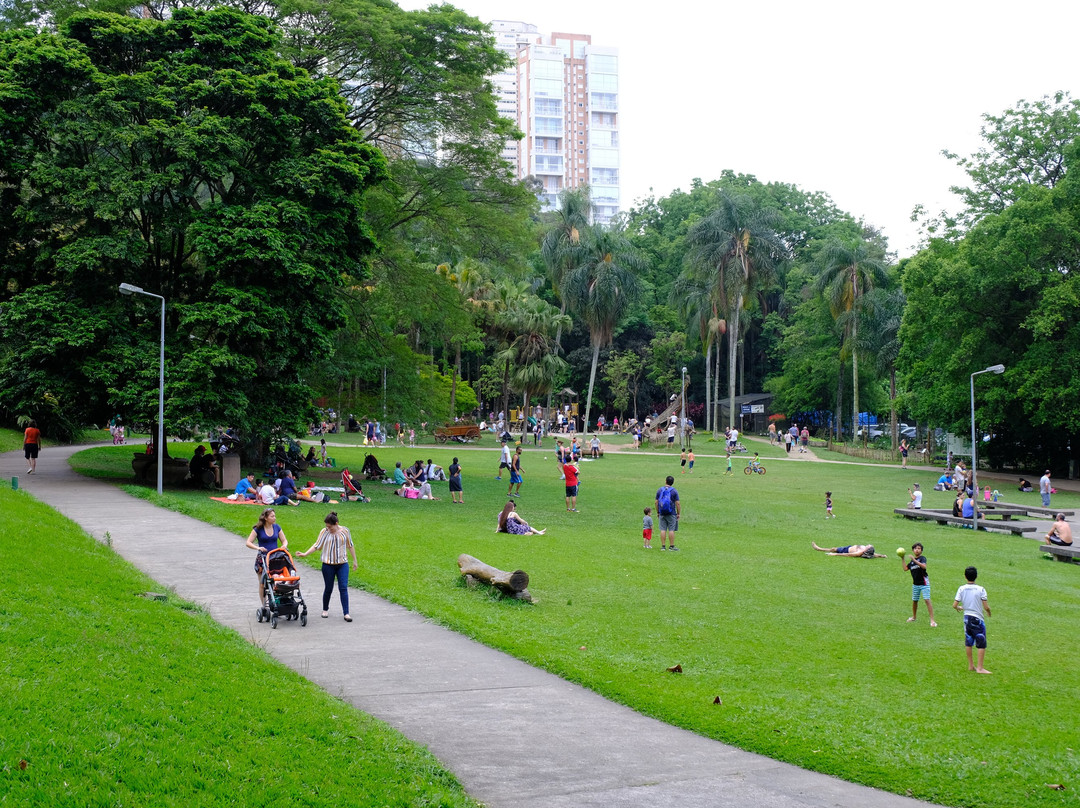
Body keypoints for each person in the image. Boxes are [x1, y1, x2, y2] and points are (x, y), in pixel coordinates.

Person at [297, 511, 357, 622]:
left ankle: (346, 613)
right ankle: (325, 609)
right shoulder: (324, 532)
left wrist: (355, 561)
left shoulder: (345, 531)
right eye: (327, 526)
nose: (328, 529)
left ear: (336, 523)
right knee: (328, 588)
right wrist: (305, 554)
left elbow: (350, 545)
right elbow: (317, 545)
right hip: (328, 565)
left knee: (343, 587)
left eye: (330, 527)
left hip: (342, 564)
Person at [952, 566, 991, 674]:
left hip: (967, 618)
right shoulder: (981, 589)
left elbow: (955, 605)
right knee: (981, 642)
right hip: (977, 618)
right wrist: (988, 612)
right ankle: (980, 668)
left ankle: (971, 666)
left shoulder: (961, 588)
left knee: (969, 641)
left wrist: (959, 607)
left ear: (965, 576)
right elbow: (986, 606)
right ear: (976, 576)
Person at [245, 508, 288, 605]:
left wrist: (284, 545)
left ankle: (277, 601)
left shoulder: (277, 527)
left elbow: (284, 540)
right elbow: (248, 542)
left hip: (275, 559)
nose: (274, 518)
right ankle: (264, 604)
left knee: (277, 580)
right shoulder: (258, 529)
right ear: (265, 518)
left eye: (274, 516)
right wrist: (258, 548)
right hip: (263, 560)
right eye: (272, 516)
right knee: (262, 584)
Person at [902, 542, 936, 626]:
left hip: (924, 583)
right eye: (915, 548)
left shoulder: (922, 558)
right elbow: (905, 568)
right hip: (915, 584)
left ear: (921, 550)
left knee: (927, 600)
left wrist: (914, 560)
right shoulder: (912, 562)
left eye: (919, 548)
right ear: (913, 550)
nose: (917, 550)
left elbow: (924, 567)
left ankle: (932, 620)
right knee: (915, 601)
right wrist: (902, 558)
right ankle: (914, 617)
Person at [655, 475, 680, 551]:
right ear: (672, 483)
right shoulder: (674, 491)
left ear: (665, 481)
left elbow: (656, 502)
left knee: (663, 529)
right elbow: (678, 503)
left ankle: (663, 546)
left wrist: (658, 511)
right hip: (671, 512)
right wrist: (678, 513)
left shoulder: (660, 490)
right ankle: (671, 546)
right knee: (671, 529)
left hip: (662, 512)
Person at [812, 542, 886, 558]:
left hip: (846, 550)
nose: (869, 544)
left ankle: (819, 549)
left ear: (867, 549)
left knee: (833, 549)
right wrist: (882, 556)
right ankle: (819, 548)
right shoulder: (867, 551)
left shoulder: (859, 552)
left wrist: (834, 554)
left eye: (869, 546)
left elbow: (847, 554)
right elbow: (874, 554)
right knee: (833, 548)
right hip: (849, 547)